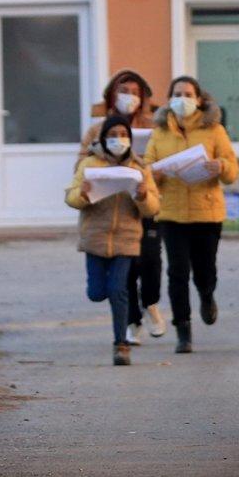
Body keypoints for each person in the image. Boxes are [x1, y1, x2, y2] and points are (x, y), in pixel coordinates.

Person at [144, 76, 239, 354]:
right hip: (171, 214)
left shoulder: (214, 130)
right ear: (169, 98)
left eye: (187, 94)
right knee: (177, 273)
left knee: (204, 269)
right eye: (177, 94)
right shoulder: (159, 131)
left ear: (198, 99)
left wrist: (219, 166)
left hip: (207, 213)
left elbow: (232, 170)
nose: (182, 99)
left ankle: (207, 294)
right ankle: (183, 330)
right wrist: (155, 173)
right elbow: (147, 168)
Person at [65, 115, 160, 366]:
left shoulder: (139, 167)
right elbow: (71, 197)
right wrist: (83, 194)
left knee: (118, 290)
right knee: (97, 293)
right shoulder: (88, 164)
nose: (118, 139)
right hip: (94, 239)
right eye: (112, 135)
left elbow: (153, 207)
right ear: (103, 138)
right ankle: (106, 301)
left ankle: (121, 344)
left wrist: (142, 196)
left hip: (126, 240)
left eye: (123, 134)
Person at [79, 68, 164, 345]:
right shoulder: (96, 129)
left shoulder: (153, 127)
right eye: (123, 91)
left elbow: (164, 157)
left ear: (144, 98)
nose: (128, 98)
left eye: (134, 93)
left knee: (150, 261)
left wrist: (144, 168)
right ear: (112, 95)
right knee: (123, 266)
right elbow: (79, 167)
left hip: (144, 200)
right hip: (110, 204)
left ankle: (149, 303)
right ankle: (131, 321)